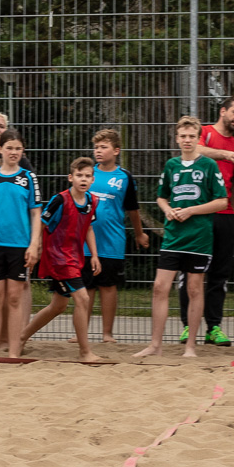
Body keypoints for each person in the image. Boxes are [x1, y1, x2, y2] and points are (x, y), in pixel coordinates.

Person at [137, 116, 228, 358]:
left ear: (198, 138)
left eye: (191, 136)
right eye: (183, 136)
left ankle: (191, 347)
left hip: (199, 238)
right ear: (176, 139)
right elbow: (161, 196)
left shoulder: (209, 165)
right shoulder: (171, 165)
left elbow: (222, 201)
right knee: (159, 287)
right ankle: (155, 344)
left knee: (195, 289)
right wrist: (167, 209)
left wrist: (191, 210)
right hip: (173, 236)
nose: (187, 140)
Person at [19, 157, 106, 362]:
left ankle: (21, 336)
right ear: (70, 177)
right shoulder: (60, 200)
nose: (83, 179)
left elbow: (89, 228)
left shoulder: (92, 201)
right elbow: (41, 223)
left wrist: (94, 255)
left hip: (75, 258)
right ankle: (85, 352)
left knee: (58, 306)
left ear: (93, 179)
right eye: (79, 175)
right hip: (59, 257)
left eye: (87, 176)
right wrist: (36, 247)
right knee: (83, 299)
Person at [0, 130, 43, 358]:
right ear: (1, 149)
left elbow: (36, 214)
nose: (14, 152)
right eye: (10, 148)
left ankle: (14, 352)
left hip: (19, 246)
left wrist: (34, 245)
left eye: (18, 148)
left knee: (14, 299)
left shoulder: (28, 178)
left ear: (22, 151)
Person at [191, 95, 234, 346]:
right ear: (222, 110)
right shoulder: (203, 132)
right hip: (200, 212)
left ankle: (213, 327)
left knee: (219, 275)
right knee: (192, 273)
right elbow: (195, 150)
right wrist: (224, 153)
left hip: (226, 215)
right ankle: (186, 325)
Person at [83, 129, 147, 343]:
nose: (98, 151)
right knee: (87, 287)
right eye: (96, 147)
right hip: (85, 243)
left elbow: (133, 209)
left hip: (112, 242)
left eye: (103, 147)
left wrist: (139, 235)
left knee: (108, 286)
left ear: (116, 150)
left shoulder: (124, 177)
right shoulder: (87, 173)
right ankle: (81, 331)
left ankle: (107, 333)